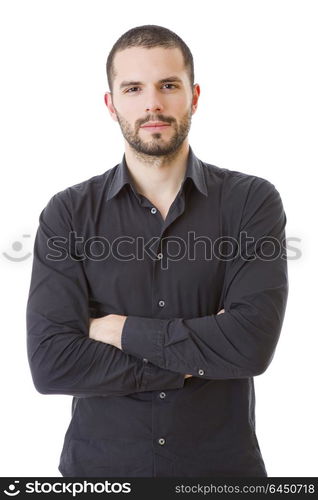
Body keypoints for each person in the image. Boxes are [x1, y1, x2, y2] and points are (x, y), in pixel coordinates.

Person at [26, 24, 289, 477]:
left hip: (222, 474)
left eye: (169, 85)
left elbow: (250, 345)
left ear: (195, 96)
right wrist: (189, 360)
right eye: (133, 88)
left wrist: (116, 329)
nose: (152, 104)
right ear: (111, 105)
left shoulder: (251, 201)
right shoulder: (67, 213)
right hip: (100, 475)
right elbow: (52, 363)